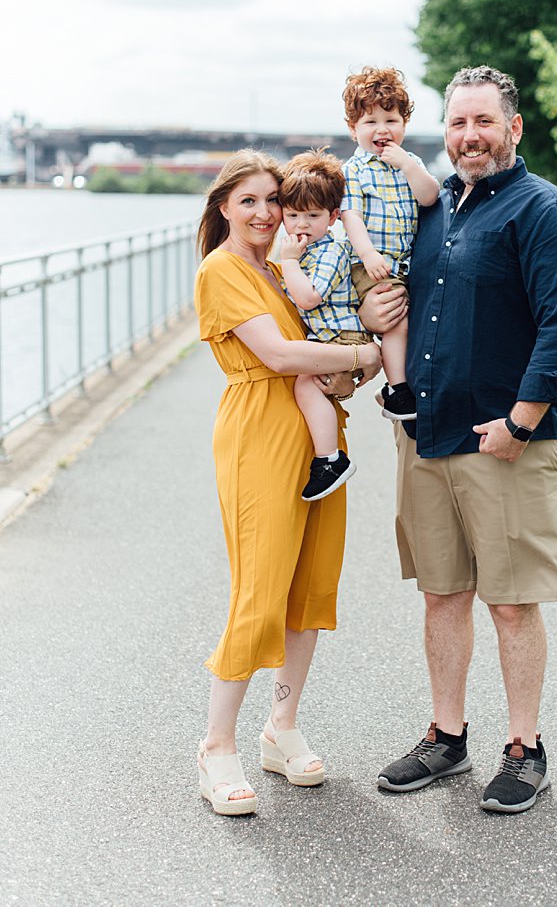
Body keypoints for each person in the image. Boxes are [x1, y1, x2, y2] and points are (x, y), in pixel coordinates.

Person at [373, 66, 557, 815]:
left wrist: (522, 421)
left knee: (510, 602)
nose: (469, 137)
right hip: (427, 436)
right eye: (458, 123)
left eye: (484, 123)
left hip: (505, 443)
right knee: (442, 593)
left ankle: (526, 749)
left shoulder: (545, 213)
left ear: (513, 129)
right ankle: (447, 735)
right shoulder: (434, 209)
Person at [193, 149, 383, 816]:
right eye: (249, 200)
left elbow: (325, 333)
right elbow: (277, 355)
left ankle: (283, 724)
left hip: (318, 427)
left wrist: (356, 367)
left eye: (273, 199)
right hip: (258, 432)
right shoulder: (222, 271)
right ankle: (217, 744)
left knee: (310, 585)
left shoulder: (280, 266)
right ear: (224, 206)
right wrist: (369, 353)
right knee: (261, 588)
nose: (266, 211)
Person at [338, 65, 440, 421]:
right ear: (354, 130)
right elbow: (350, 215)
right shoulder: (354, 170)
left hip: (407, 263)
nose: (381, 129)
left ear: (404, 125)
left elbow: (429, 197)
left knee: (415, 321)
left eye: (391, 120)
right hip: (371, 263)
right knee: (397, 321)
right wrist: (367, 255)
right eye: (370, 122)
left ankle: (404, 381)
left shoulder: (411, 162)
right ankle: (398, 390)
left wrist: (408, 167)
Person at [278, 149, 366, 501]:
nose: (301, 225)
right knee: (309, 388)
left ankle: (330, 460)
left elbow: (309, 298)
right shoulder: (306, 252)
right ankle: (328, 456)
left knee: (306, 387)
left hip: (341, 338)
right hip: (327, 338)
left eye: (312, 216)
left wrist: (287, 262)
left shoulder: (330, 252)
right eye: (293, 215)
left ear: (332, 217)